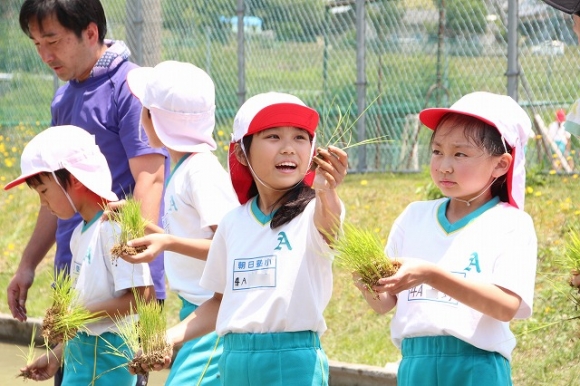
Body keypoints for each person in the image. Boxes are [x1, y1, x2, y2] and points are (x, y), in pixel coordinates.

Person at [131, 92, 348, 385]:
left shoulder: (315, 210)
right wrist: (169, 337)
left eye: (300, 137)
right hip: (234, 361)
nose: (288, 148)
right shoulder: (234, 222)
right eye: (273, 136)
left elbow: (330, 225)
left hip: (292, 364)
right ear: (241, 153)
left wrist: (327, 191)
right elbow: (220, 301)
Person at [354, 92, 538, 385]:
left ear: (501, 165)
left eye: (460, 154)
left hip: (476, 367)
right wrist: (370, 287)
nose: (444, 165)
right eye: (437, 151)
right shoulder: (413, 217)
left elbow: (506, 307)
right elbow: (385, 304)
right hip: (415, 365)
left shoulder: (510, 224)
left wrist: (431, 275)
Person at [11, 0, 168, 323]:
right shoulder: (63, 99)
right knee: (67, 374)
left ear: (91, 32)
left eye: (53, 41)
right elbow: (52, 192)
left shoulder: (130, 87)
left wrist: (135, 265)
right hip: (74, 280)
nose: (45, 56)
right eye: (38, 44)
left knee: (115, 374)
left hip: (122, 287)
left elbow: (150, 178)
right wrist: (27, 264)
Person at [119, 60, 240, 385]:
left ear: (155, 119)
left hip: (214, 317)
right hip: (196, 313)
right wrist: (153, 233)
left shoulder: (200, 171)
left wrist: (168, 243)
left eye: (144, 109)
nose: (140, 117)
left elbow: (232, 248)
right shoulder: (185, 168)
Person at [5, 125, 155, 386]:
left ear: (74, 180)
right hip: (79, 357)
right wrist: (57, 354)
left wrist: (77, 314)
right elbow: (88, 311)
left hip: (110, 362)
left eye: (43, 191)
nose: (43, 203)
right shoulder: (79, 234)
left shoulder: (115, 226)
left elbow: (140, 298)